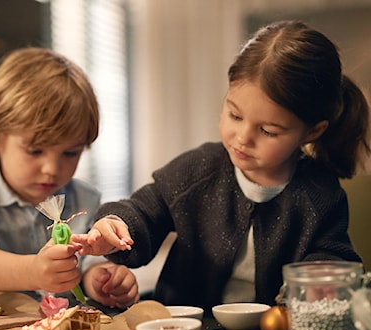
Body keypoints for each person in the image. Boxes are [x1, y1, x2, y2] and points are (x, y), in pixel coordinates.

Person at [72, 20, 371, 312]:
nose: (242, 138)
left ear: (312, 131)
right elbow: (146, 209)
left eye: (267, 131)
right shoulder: (200, 169)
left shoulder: (320, 193)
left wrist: (311, 284)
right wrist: (117, 224)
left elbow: (332, 258)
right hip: (187, 326)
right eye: (234, 115)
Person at [0, 47, 139, 309]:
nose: (51, 169)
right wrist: (33, 271)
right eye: (35, 150)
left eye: (70, 152)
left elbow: (87, 258)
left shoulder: (84, 198)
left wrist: (98, 278)